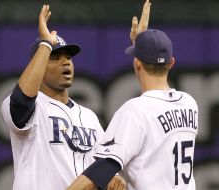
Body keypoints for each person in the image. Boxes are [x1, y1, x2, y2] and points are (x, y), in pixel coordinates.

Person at [67, 1, 199, 190]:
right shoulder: (189, 103)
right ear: (171, 63)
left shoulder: (135, 111)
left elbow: (102, 170)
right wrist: (142, 45)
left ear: (137, 63)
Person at [1, 4, 125, 190]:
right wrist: (45, 45)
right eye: (55, 57)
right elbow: (21, 103)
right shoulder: (31, 109)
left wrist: (114, 178)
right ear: (39, 65)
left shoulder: (89, 116)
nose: (65, 62)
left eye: (68, 57)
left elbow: (103, 164)